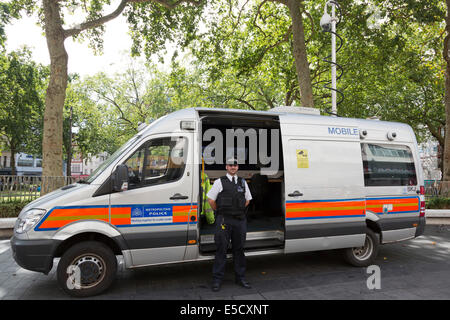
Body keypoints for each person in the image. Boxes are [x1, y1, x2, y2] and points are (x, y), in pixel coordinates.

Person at [207, 157, 252, 292]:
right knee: (221, 250)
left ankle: (240, 278)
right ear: (226, 167)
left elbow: (248, 200)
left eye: (235, 165)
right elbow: (211, 200)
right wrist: (220, 212)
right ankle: (217, 280)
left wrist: (237, 210)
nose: (233, 167)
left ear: (237, 167)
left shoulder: (243, 182)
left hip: (239, 221)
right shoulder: (219, 182)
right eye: (230, 165)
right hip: (224, 221)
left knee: (239, 250)